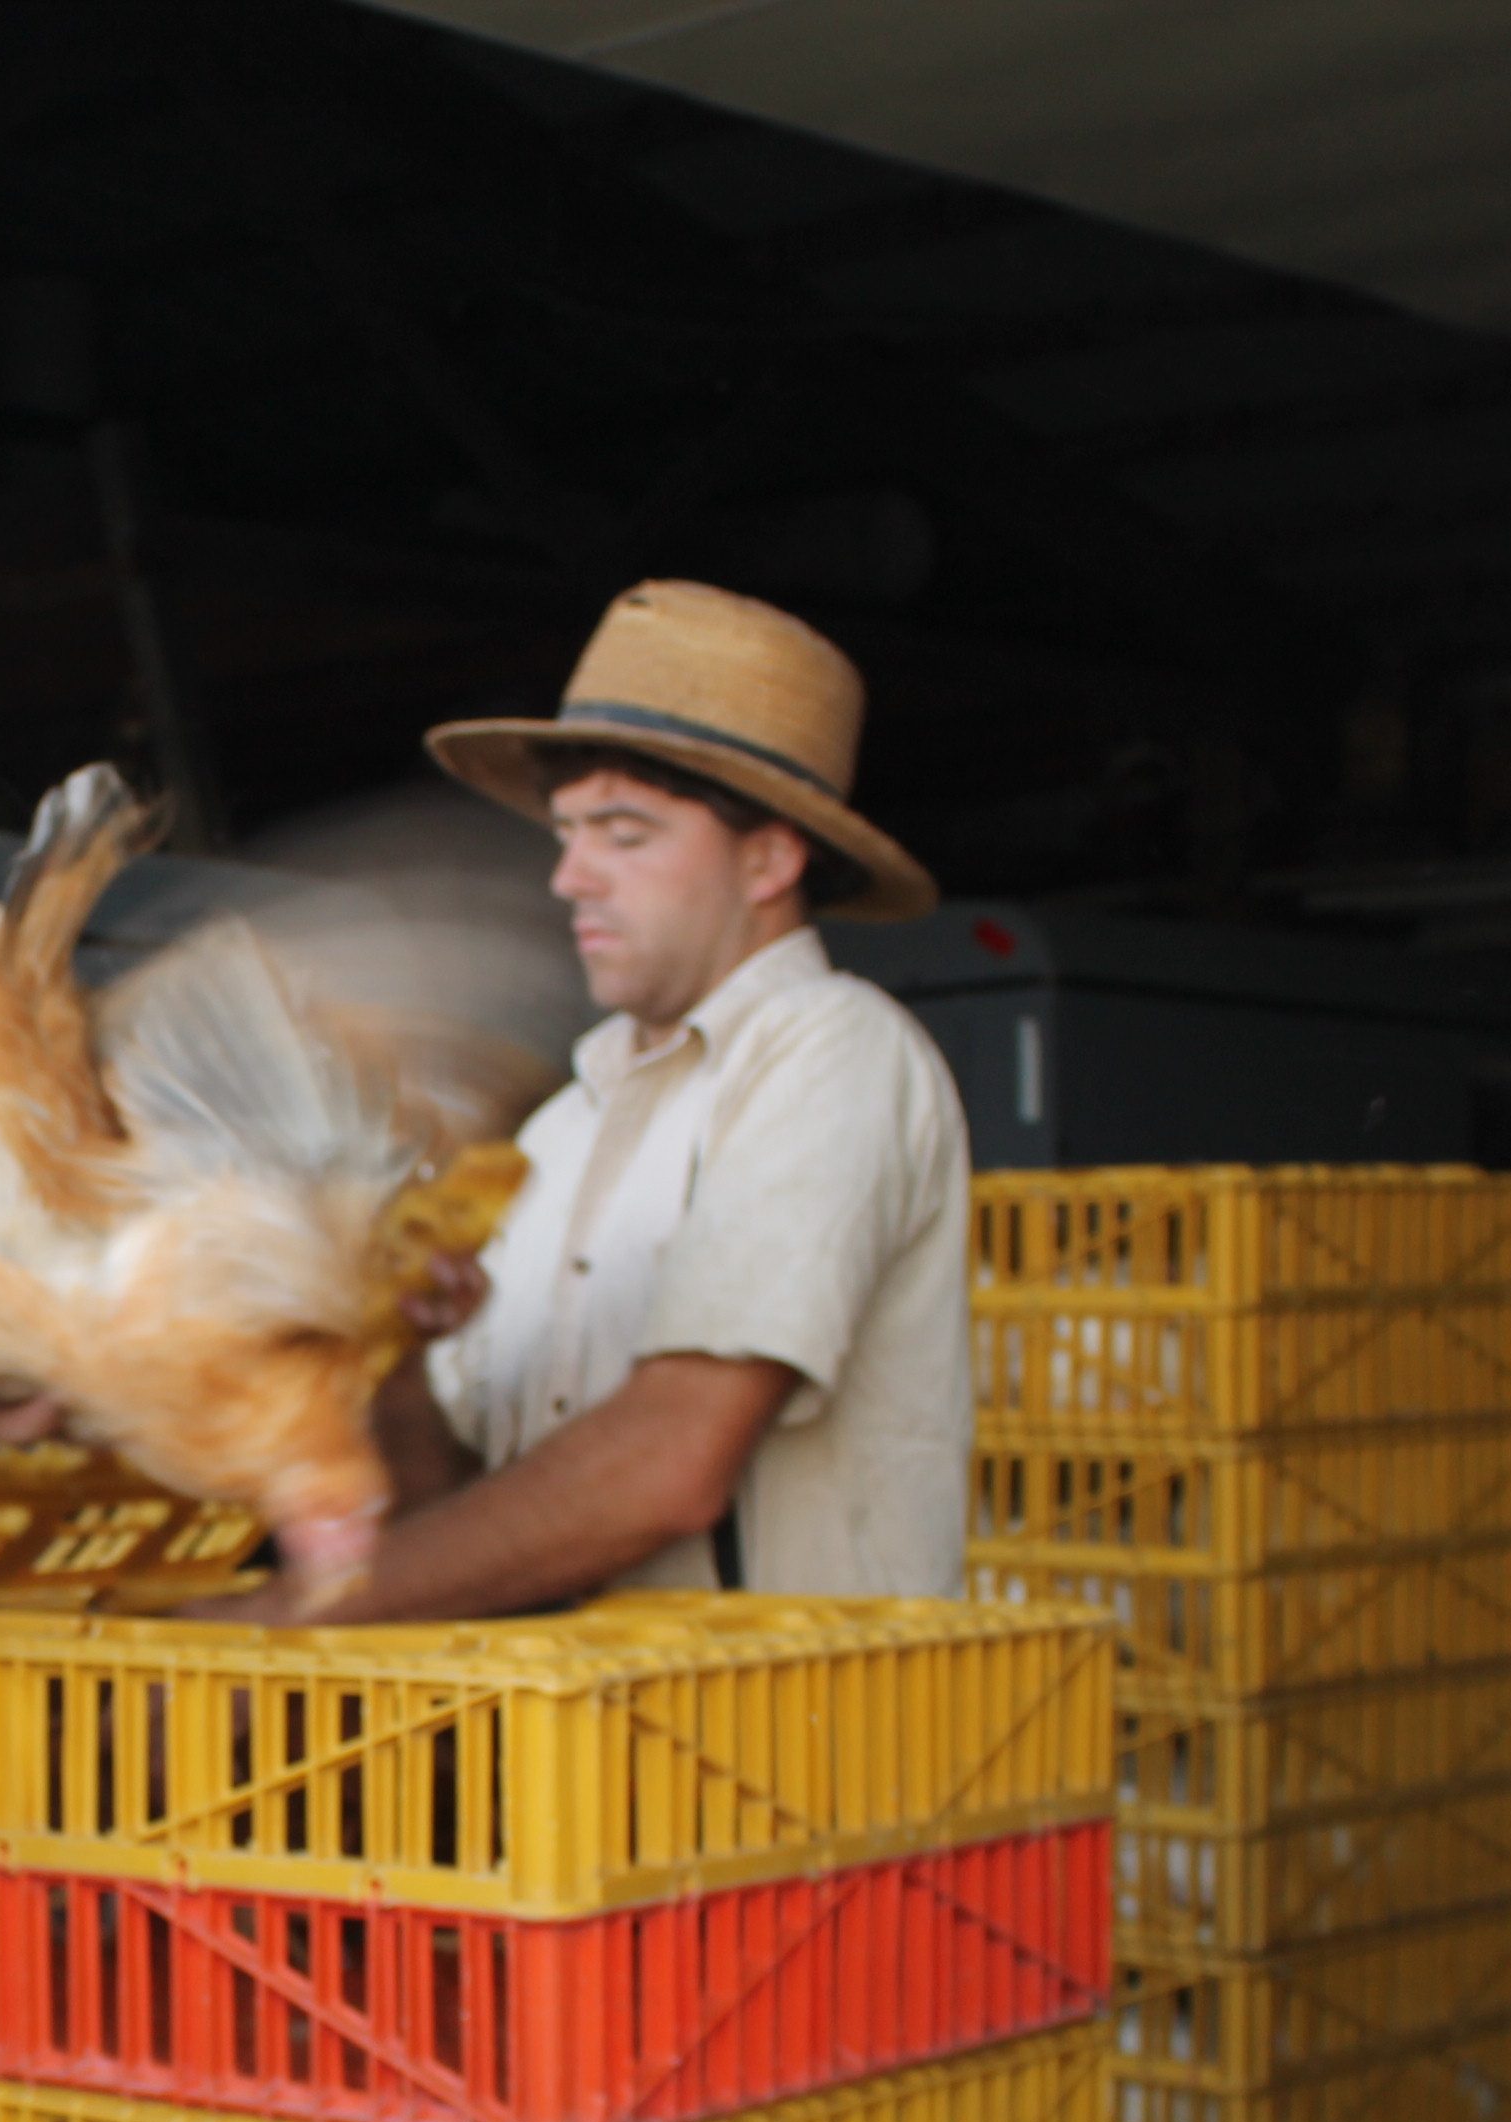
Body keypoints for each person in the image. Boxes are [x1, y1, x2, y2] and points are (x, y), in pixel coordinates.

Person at [220, 579, 972, 1621]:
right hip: (574, 1719)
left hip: (780, 1721)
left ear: (769, 858)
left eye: (625, 834)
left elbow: (670, 1466)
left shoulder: (833, 1050)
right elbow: (463, 1518)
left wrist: (287, 1617)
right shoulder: (560, 1131)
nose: (569, 877)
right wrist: (390, 1356)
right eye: (567, 833)